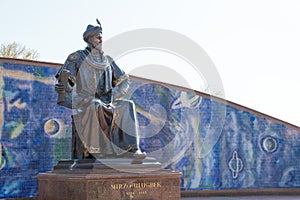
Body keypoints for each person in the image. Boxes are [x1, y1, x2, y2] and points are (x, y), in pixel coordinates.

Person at [55, 19, 146, 161]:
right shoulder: (77, 58)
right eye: (98, 37)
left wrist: (115, 94)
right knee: (95, 105)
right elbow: (66, 83)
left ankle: (133, 150)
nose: (101, 40)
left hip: (108, 101)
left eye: (102, 37)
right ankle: (97, 151)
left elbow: (124, 80)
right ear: (89, 39)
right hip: (86, 102)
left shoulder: (107, 60)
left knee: (128, 105)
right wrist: (63, 87)